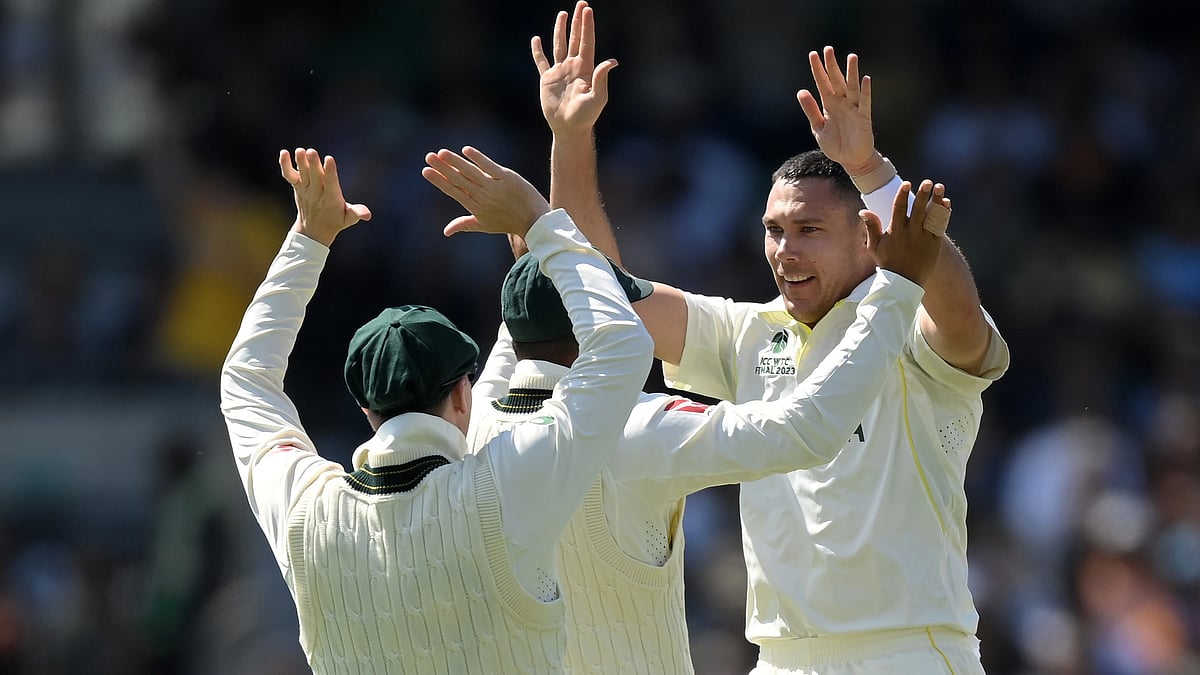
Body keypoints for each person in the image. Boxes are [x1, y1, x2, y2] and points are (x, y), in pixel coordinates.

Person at [539, 11, 1011, 672]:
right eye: (773, 229)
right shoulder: (745, 334)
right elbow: (605, 300)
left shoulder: (908, 323)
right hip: (781, 659)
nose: (784, 251)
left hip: (911, 650)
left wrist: (871, 170)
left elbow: (961, 316)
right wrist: (570, 139)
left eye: (809, 229)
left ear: (866, 236)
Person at [219, 145, 654, 673]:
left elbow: (246, 380)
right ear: (462, 396)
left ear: (364, 408)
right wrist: (539, 223)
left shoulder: (302, 508)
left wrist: (308, 238)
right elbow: (624, 347)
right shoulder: (508, 485)